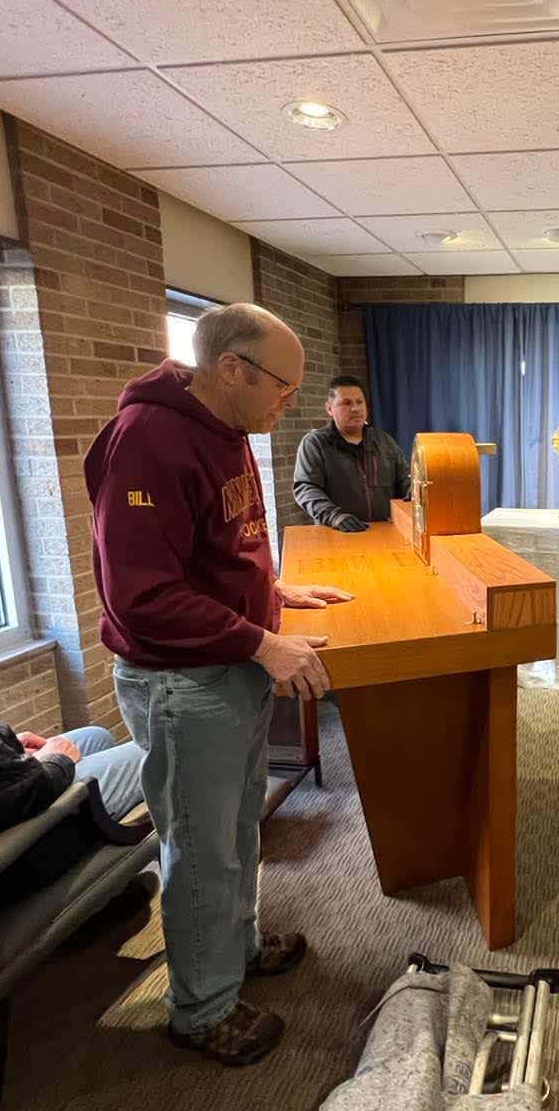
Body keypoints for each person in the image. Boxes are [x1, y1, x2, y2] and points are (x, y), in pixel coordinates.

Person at [84, 302, 351, 1068]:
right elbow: (142, 595)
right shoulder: (149, 441)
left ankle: (232, 953)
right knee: (200, 850)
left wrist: (274, 599)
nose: (287, 403)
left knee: (236, 834)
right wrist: (262, 639)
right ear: (231, 367)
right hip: (182, 684)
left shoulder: (230, 431)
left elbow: (222, 552)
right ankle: (200, 1010)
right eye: (279, 385)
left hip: (227, 668)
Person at [0, 686, 145, 910]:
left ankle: (108, 887)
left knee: (95, 737)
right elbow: (21, 792)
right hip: (8, 852)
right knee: (147, 754)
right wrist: (57, 760)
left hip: (2, 795)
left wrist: (8, 743)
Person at [293, 374, 410, 531]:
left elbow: (404, 478)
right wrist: (334, 517)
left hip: (384, 533)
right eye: (346, 403)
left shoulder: (384, 441)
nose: (355, 408)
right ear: (329, 408)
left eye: (359, 402)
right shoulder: (315, 443)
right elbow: (306, 488)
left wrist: (412, 491)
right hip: (337, 535)